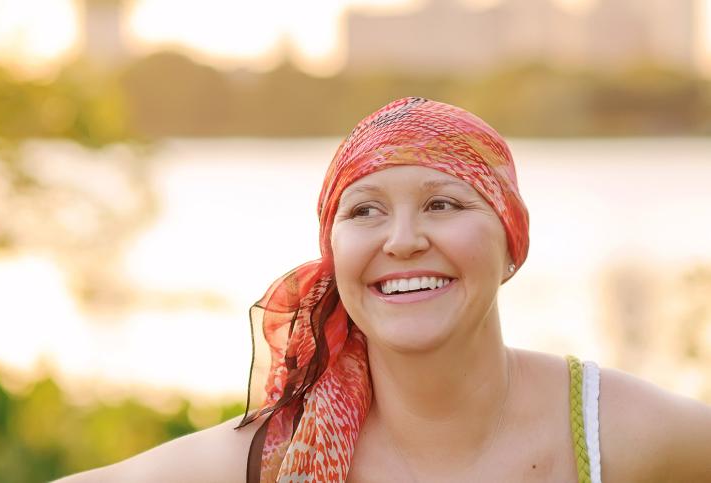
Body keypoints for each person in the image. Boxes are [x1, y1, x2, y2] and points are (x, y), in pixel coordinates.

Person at [57, 97, 711, 482]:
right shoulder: (275, 457)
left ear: (511, 240)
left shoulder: (611, 431)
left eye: (443, 204)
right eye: (365, 210)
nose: (401, 240)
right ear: (333, 252)